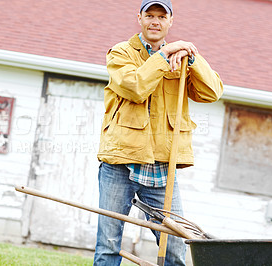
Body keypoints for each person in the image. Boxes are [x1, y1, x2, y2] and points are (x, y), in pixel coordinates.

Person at [93, 0, 223, 265]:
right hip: (120, 162)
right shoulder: (121, 53)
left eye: (161, 17)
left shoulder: (184, 59)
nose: (155, 21)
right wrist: (164, 57)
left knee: (174, 243)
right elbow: (134, 86)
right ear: (138, 18)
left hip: (163, 166)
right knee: (108, 244)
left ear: (170, 21)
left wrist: (192, 56)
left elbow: (212, 92)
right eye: (149, 15)